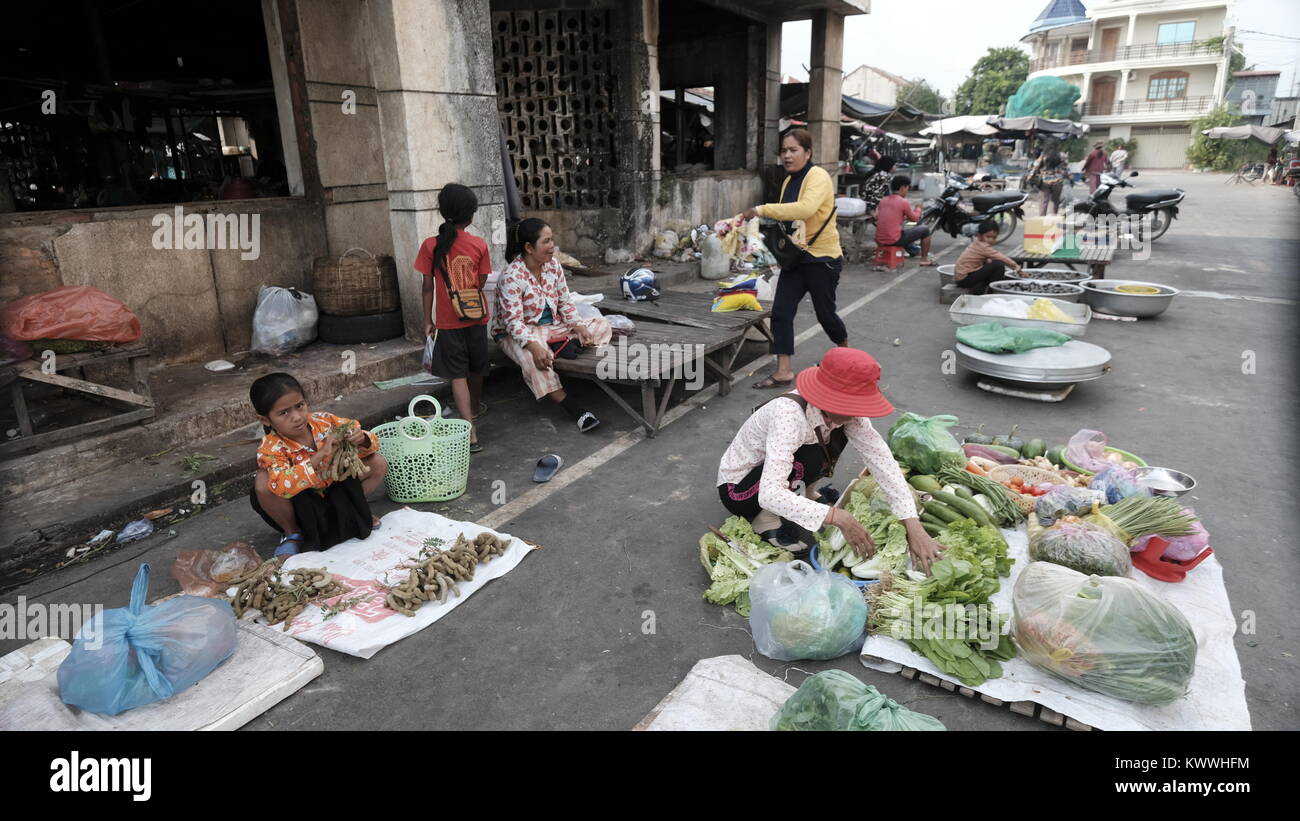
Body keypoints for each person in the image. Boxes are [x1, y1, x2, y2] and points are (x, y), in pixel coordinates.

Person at [715, 347, 946, 574]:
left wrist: (912, 524)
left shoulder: (848, 415)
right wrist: (839, 518)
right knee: (809, 456)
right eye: (852, 405)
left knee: (827, 442)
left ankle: (801, 495)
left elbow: (881, 460)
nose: (857, 412)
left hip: (776, 474)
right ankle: (765, 518)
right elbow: (770, 493)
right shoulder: (789, 415)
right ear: (829, 398)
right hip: (740, 489)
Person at [740, 129, 848, 390]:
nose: (787, 156)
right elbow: (787, 216)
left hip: (822, 259)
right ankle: (784, 371)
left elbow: (805, 209)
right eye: (784, 150)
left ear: (808, 152)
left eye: (793, 150)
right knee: (781, 312)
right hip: (796, 258)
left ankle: (845, 354)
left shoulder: (818, 177)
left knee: (825, 313)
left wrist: (761, 209)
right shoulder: (789, 181)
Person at [249, 372, 388, 557]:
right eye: (284, 413)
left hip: (334, 490)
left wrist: (362, 438)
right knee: (262, 481)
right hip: (303, 504)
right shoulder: (271, 448)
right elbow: (283, 487)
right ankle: (293, 533)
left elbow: (364, 438)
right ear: (265, 420)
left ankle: (353, 511)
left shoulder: (325, 421)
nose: (297, 417)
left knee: (377, 463)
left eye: (299, 406)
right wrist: (319, 456)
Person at [492, 218, 612, 432]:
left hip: (552, 327)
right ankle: (577, 411)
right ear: (529, 247)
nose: (552, 247)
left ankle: (561, 344)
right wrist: (533, 345)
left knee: (601, 325)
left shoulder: (553, 266)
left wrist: (578, 326)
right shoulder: (511, 276)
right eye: (546, 242)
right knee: (533, 360)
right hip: (519, 332)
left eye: (552, 240)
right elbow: (512, 322)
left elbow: (565, 301)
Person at [414, 183, 491, 453]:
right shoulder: (479, 244)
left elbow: (427, 287)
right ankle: (475, 407)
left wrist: (427, 320)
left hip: (448, 322)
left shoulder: (429, 246)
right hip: (477, 317)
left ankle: (470, 431)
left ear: (443, 212)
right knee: (477, 367)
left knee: (457, 375)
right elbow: (481, 282)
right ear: (471, 215)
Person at [874, 175, 934, 266]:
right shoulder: (903, 202)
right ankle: (924, 259)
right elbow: (915, 219)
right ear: (902, 188)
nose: (907, 191)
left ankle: (913, 251)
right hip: (893, 239)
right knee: (925, 230)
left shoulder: (883, 200)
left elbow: (881, 216)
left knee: (903, 232)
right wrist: (918, 209)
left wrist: (902, 217)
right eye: (907, 188)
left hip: (879, 239)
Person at [954, 219, 1023, 295]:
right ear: (979, 235)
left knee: (992, 263)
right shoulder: (983, 247)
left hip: (964, 278)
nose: (991, 240)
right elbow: (1002, 258)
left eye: (994, 237)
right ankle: (993, 292)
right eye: (988, 236)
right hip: (964, 279)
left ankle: (984, 288)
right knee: (998, 264)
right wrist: (1016, 267)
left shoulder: (977, 243)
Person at [1034, 148, 1069, 216]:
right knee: (1055, 201)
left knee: (1043, 201)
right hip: (1058, 181)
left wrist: (1030, 176)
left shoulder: (1044, 155)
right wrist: (1069, 176)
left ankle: (1042, 217)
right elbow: (1066, 168)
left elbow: (1036, 165)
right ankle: (1053, 218)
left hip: (1045, 181)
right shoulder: (1061, 155)